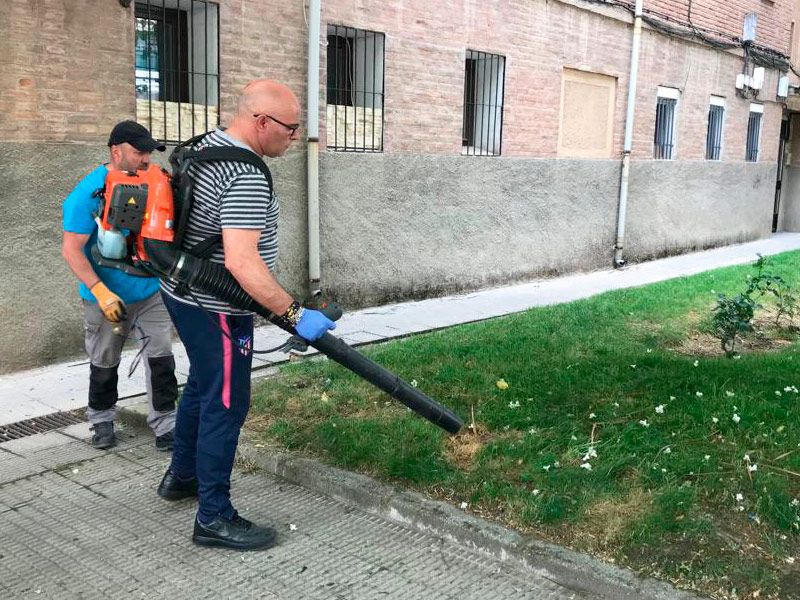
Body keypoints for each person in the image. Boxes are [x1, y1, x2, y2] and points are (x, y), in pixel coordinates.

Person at [156, 79, 336, 551]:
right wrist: (295, 314)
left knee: (202, 385)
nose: (294, 138)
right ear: (261, 122)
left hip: (180, 291)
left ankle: (182, 477)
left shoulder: (204, 146)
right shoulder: (246, 174)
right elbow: (242, 262)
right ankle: (213, 518)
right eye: (290, 128)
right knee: (227, 402)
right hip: (216, 306)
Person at [61, 121, 178, 452]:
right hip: (106, 296)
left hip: (151, 291)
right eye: (139, 152)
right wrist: (101, 292)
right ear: (116, 152)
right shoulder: (88, 193)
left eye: (149, 152)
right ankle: (101, 421)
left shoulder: (155, 182)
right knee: (105, 360)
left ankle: (166, 425)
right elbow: (71, 250)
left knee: (161, 359)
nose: (146, 159)